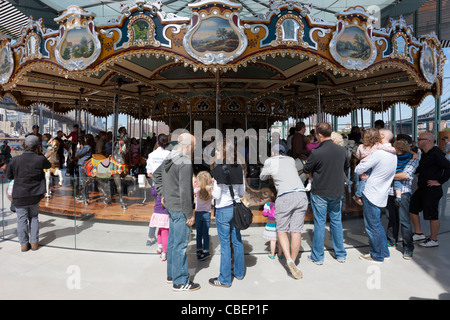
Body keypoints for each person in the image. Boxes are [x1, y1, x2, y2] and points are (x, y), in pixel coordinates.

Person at [153, 132, 200, 292]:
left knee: (173, 243)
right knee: (180, 245)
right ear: (187, 145)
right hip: (180, 208)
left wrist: (163, 193)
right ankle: (180, 281)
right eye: (193, 146)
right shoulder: (184, 161)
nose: (194, 150)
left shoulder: (169, 157)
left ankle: (171, 275)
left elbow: (156, 175)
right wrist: (189, 214)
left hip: (171, 206)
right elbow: (185, 191)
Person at [303, 122, 349, 265]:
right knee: (336, 222)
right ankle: (340, 254)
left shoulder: (316, 153)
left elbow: (306, 169)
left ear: (319, 135)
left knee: (320, 223)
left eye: (316, 134)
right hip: (337, 191)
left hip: (320, 191)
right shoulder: (342, 151)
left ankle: (318, 256)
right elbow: (346, 167)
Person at [260, 143, 307, 279]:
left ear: (273, 153)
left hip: (285, 196)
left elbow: (262, 177)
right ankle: (293, 261)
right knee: (296, 231)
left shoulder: (270, 161)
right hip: (301, 195)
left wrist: (270, 173)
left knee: (281, 230)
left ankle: (288, 260)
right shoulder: (291, 160)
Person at [354, 129, 397, 263]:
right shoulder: (393, 154)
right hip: (381, 193)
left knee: (372, 227)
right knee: (377, 225)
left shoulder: (379, 153)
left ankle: (377, 255)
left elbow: (358, 169)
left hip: (371, 192)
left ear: (382, 136)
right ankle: (384, 252)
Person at [209, 139, 246, 287]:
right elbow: (242, 192)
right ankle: (239, 272)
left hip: (223, 209)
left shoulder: (218, 170)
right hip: (236, 208)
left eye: (218, 150)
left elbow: (216, 195)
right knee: (237, 241)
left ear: (224, 152)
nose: (216, 153)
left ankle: (224, 279)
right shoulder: (240, 169)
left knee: (225, 245)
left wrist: (211, 189)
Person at [6, 135, 51, 252]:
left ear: (24, 145)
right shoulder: (40, 159)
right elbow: (49, 165)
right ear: (37, 146)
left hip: (20, 195)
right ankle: (34, 243)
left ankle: (24, 245)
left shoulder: (15, 160)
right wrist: (40, 153)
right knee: (34, 217)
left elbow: (9, 176)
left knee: (21, 219)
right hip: (35, 195)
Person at [409, 132, 450, 248]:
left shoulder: (436, 153)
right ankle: (418, 233)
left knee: (432, 215)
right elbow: (420, 169)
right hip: (422, 188)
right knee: (413, 208)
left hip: (432, 189)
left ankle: (434, 239)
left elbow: (448, 167)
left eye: (419, 139)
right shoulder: (425, 153)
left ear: (428, 141)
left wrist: (439, 181)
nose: (417, 141)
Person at [384, 154, 419, 259]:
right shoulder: (393, 156)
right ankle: (391, 241)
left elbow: (405, 175)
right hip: (390, 193)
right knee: (391, 218)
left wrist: (386, 174)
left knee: (404, 221)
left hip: (403, 194)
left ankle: (408, 247)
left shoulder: (413, 158)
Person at [353, 129, 396, 206]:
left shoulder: (360, 146)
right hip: (370, 166)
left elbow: (357, 155)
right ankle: (358, 195)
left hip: (363, 163)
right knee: (365, 180)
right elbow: (386, 148)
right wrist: (393, 150)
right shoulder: (377, 146)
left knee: (363, 181)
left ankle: (358, 195)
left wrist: (361, 159)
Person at [145, 133, 170, 247]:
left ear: (157, 142)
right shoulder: (170, 155)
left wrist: (157, 178)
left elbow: (149, 173)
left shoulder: (151, 155)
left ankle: (152, 236)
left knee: (156, 211)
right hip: (168, 186)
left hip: (156, 186)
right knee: (167, 211)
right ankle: (164, 236)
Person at [193, 171, 213, 261]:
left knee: (199, 233)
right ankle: (206, 250)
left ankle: (198, 249)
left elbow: (194, 190)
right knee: (205, 233)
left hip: (198, 213)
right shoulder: (211, 189)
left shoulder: (197, 190)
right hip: (207, 213)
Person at [392, 139, 414, 206]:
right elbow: (414, 156)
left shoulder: (393, 156)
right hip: (401, 171)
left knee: (397, 182)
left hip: (395, 172)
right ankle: (398, 197)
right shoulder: (409, 155)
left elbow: (405, 175)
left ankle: (398, 197)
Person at [262, 191, 282, 260]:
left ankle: (272, 254)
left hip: (271, 225)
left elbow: (264, 214)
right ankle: (280, 254)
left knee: (273, 241)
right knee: (281, 240)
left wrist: (268, 213)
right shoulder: (281, 204)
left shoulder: (268, 204)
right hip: (280, 225)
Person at [75, 135, 94, 201]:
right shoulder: (87, 147)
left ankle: (85, 196)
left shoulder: (87, 147)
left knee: (83, 181)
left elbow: (78, 154)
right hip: (84, 164)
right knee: (83, 181)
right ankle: (84, 195)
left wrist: (78, 148)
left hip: (83, 164)